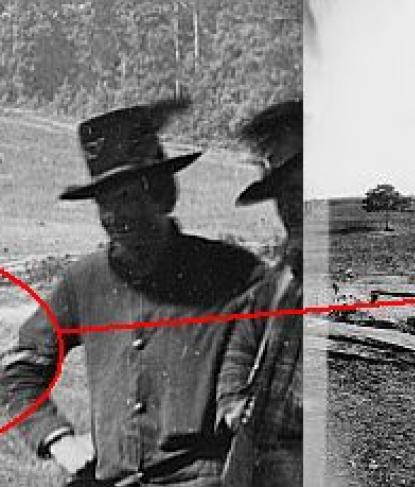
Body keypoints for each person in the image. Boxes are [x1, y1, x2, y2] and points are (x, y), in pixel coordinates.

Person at [0, 98, 264, 486]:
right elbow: (19, 369)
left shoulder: (232, 273)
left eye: (126, 198)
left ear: (161, 193)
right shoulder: (83, 281)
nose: (112, 217)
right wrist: (58, 440)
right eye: (103, 202)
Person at [216, 100, 302, 487]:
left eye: (300, 189)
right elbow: (243, 339)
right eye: (282, 194)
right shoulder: (282, 278)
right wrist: (232, 401)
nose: (291, 207)